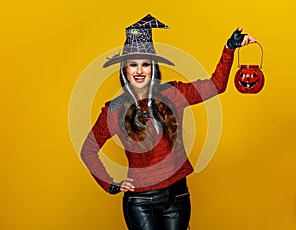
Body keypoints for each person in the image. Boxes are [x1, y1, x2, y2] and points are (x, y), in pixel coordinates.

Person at [80, 14, 255, 230]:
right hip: (140, 202)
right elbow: (88, 150)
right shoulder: (114, 110)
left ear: (153, 67)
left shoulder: (173, 93)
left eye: (145, 64)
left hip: (178, 196)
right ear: (124, 69)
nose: (139, 71)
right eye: (133, 64)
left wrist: (229, 49)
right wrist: (111, 185)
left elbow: (215, 86)